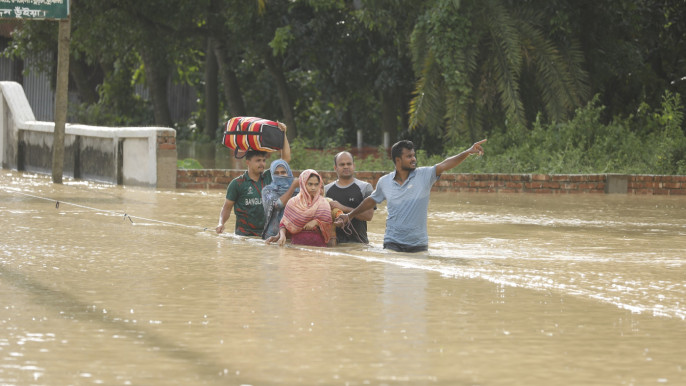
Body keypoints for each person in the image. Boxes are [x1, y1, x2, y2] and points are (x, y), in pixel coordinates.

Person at [336, 139, 487, 252]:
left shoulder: (425, 175)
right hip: (392, 244)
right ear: (398, 160)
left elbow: (446, 164)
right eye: (409, 156)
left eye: (414, 155)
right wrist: (350, 215)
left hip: (418, 245)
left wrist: (467, 152)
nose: (414, 159)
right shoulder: (385, 182)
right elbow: (371, 201)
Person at [215, 122, 291, 236]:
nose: (262, 164)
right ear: (248, 162)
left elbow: (285, 159)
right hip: (244, 236)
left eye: (263, 160)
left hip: (266, 235)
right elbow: (226, 208)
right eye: (258, 161)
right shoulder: (237, 184)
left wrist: (284, 133)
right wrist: (221, 223)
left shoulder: (269, 178)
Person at [267, 169, 336, 247]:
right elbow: (284, 224)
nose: (313, 188)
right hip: (296, 246)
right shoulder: (293, 203)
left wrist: (316, 222)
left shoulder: (323, 203)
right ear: (303, 184)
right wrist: (282, 235)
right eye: (310, 184)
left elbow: (328, 224)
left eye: (316, 184)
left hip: (318, 247)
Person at [325, 151, 374, 243]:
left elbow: (368, 216)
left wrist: (343, 208)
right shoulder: (326, 190)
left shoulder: (365, 187)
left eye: (349, 164)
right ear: (335, 168)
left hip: (358, 244)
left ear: (354, 166)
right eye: (342, 164)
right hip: (334, 245)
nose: (346, 166)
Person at [261, 159, 299, 239]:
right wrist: (292, 187)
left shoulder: (299, 190)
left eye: (283, 172)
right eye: (276, 173)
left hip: (292, 235)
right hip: (272, 235)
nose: (280, 175)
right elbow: (278, 205)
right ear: (272, 175)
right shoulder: (267, 190)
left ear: (288, 172)